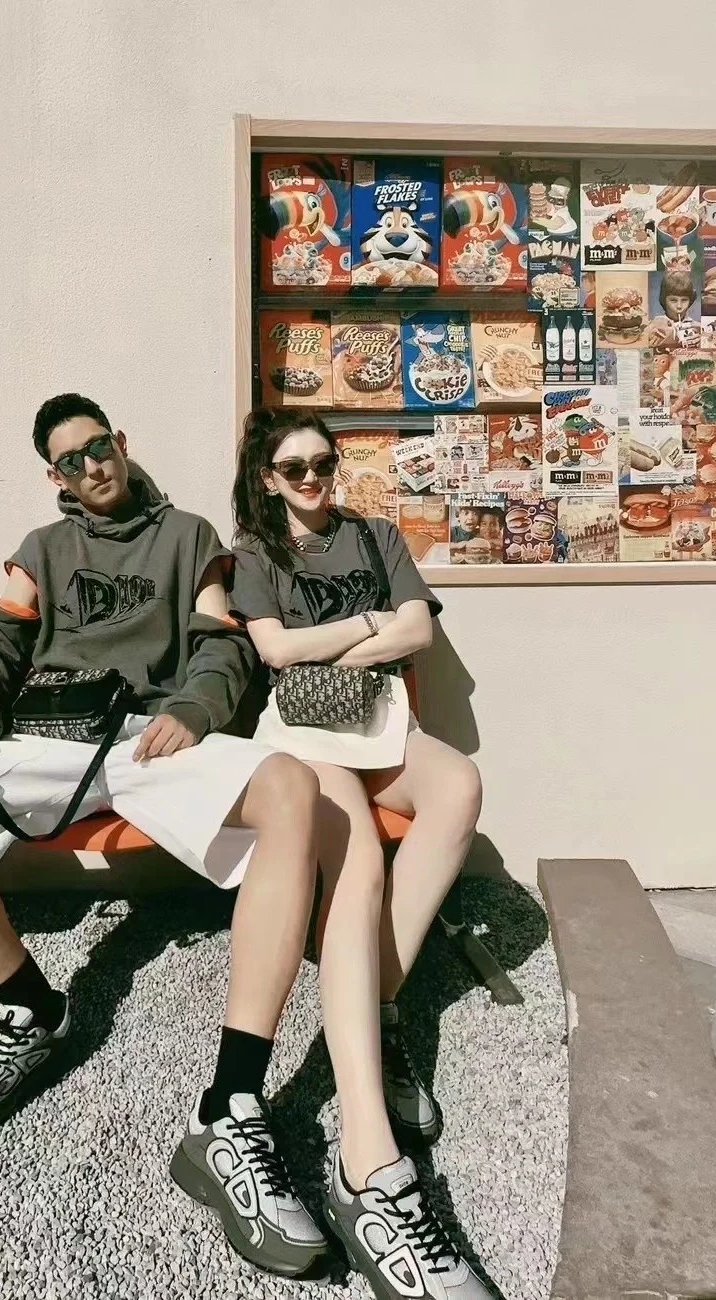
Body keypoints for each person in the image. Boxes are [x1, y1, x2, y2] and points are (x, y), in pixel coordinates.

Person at [0, 394, 332, 1280]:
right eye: (71, 461)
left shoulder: (188, 536)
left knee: (289, 786)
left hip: (149, 734)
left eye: (99, 447)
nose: (93, 467)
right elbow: (1, 645)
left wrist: (195, 708)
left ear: (120, 442)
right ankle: (32, 1011)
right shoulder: (41, 549)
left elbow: (222, 641)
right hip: (46, 734)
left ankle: (231, 1104)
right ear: (55, 475)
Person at [229, 407, 493, 1300]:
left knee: (458, 787)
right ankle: (367, 1110)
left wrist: (340, 640)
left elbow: (418, 632)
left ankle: (370, 999)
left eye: (323, 463)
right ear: (268, 479)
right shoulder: (257, 553)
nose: (313, 479)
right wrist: (363, 625)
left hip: (380, 724)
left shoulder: (375, 534)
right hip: (307, 739)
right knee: (362, 863)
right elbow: (274, 650)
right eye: (294, 469)